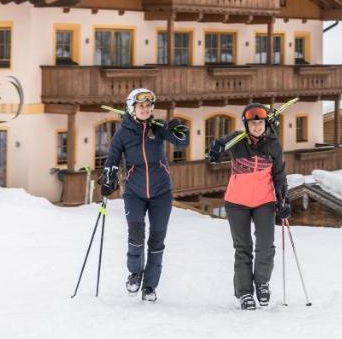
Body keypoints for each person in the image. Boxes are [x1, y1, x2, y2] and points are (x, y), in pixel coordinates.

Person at [99, 88, 188, 303]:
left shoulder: (158, 129)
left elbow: (181, 143)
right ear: (132, 108)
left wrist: (177, 130)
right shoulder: (122, 133)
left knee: (157, 241)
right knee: (136, 236)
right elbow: (111, 160)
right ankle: (135, 273)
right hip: (134, 193)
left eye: (149, 106)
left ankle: (150, 286)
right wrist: (109, 175)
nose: (146, 109)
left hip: (161, 193)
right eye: (141, 106)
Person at [208, 103, 289, 310]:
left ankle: (262, 284)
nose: (256, 127)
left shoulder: (273, 145)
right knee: (243, 249)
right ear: (246, 124)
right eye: (252, 123)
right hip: (237, 203)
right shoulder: (237, 140)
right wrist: (216, 149)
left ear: (265, 123)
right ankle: (245, 293)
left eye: (260, 122)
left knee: (265, 246)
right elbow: (221, 144)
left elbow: (279, 176)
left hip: (264, 202)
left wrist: (284, 200)